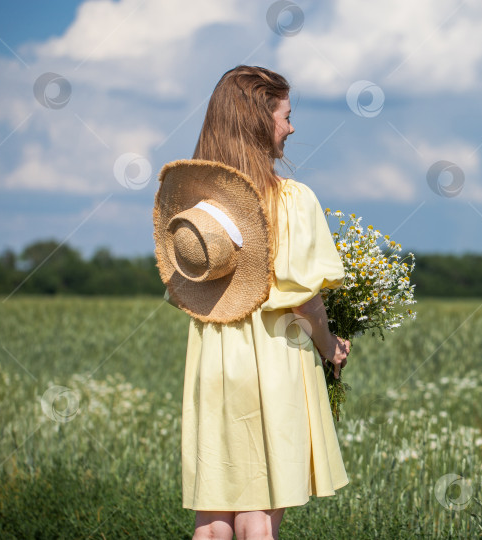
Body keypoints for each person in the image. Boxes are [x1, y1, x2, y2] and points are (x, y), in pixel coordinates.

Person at [159, 65, 351, 540]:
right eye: (285, 116)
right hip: (272, 358)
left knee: (214, 516)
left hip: (212, 362)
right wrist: (330, 347)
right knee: (259, 516)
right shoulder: (291, 200)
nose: (291, 127)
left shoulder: (197, 211)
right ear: (259, 121)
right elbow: (305, 304)